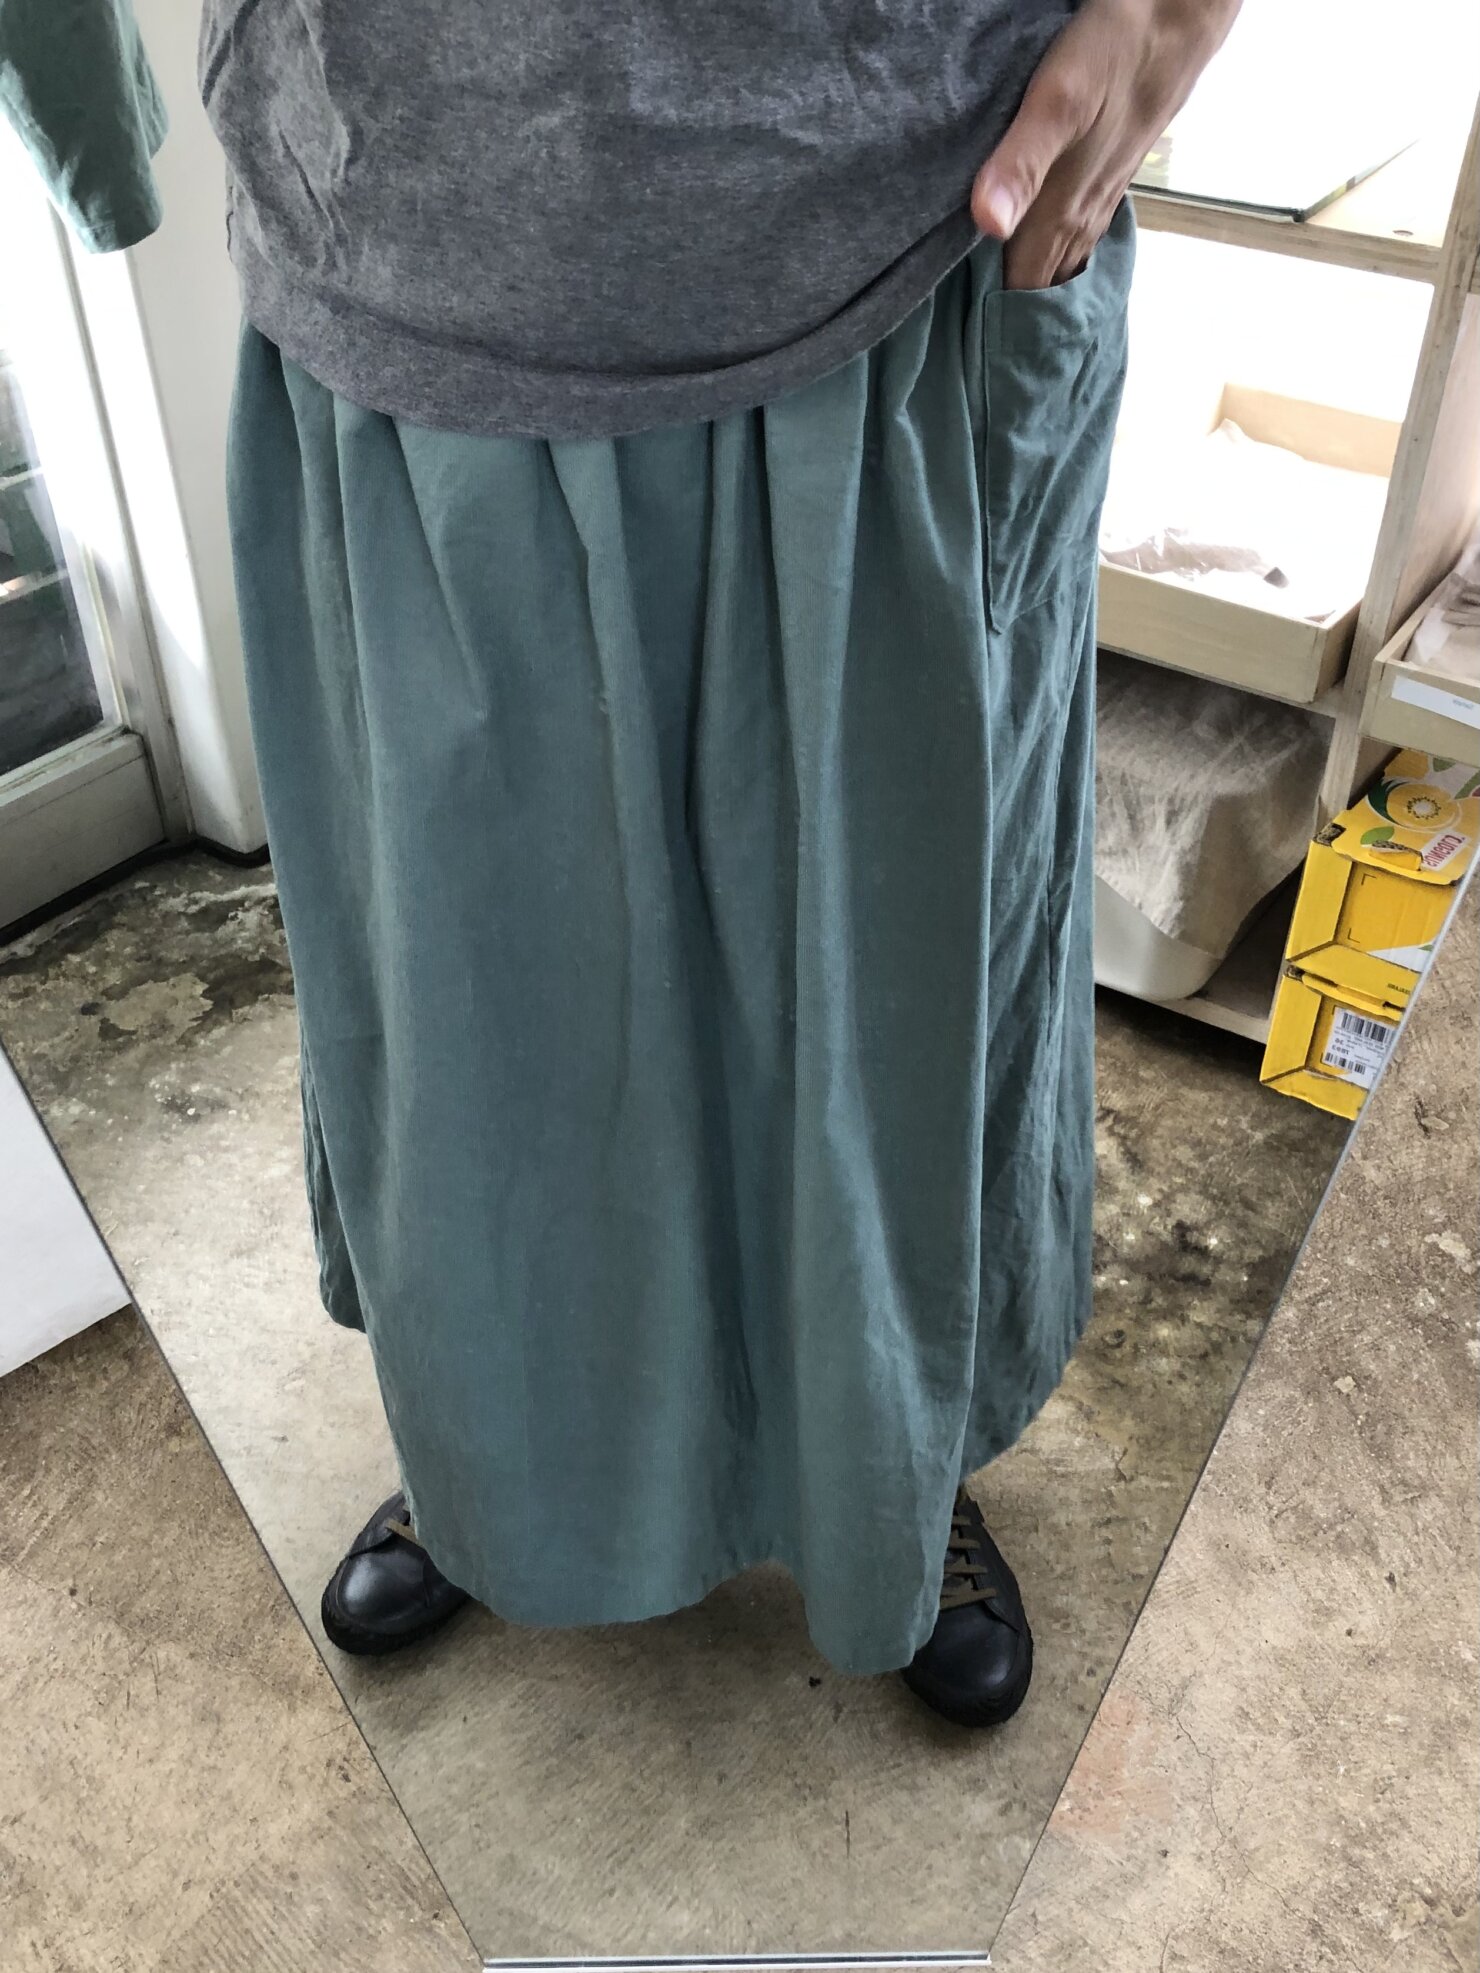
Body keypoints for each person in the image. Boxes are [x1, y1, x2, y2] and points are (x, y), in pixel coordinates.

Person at [3, 0, 1240, 1729]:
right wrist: (88, 120)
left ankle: (900, 1450)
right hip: (405, 240)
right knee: (483, 1010)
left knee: (891, 984)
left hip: (903, 225)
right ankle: (497, 1448)